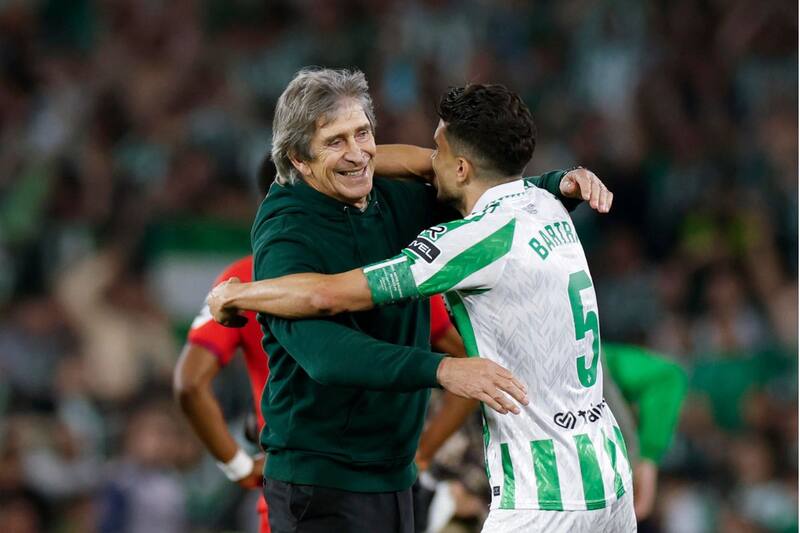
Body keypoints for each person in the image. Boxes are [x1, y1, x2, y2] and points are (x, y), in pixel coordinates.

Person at [209, 81, 632, 531]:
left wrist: (238, 294)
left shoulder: (436, 218)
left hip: (519, 485)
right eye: (335, 141)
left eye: (363, 134)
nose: (359, 154)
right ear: (298, 158)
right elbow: (324, 350)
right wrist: (443, 369)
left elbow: (325, 294)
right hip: (323, 484)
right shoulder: (543, 206)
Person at [173, 154, 473, 533]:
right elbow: (467, 362)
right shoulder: (388, 272)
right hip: (383, 483)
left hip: (301, 485)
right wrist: (423, 452)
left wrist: (239, 466)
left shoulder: (245, 280)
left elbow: (189, 382)